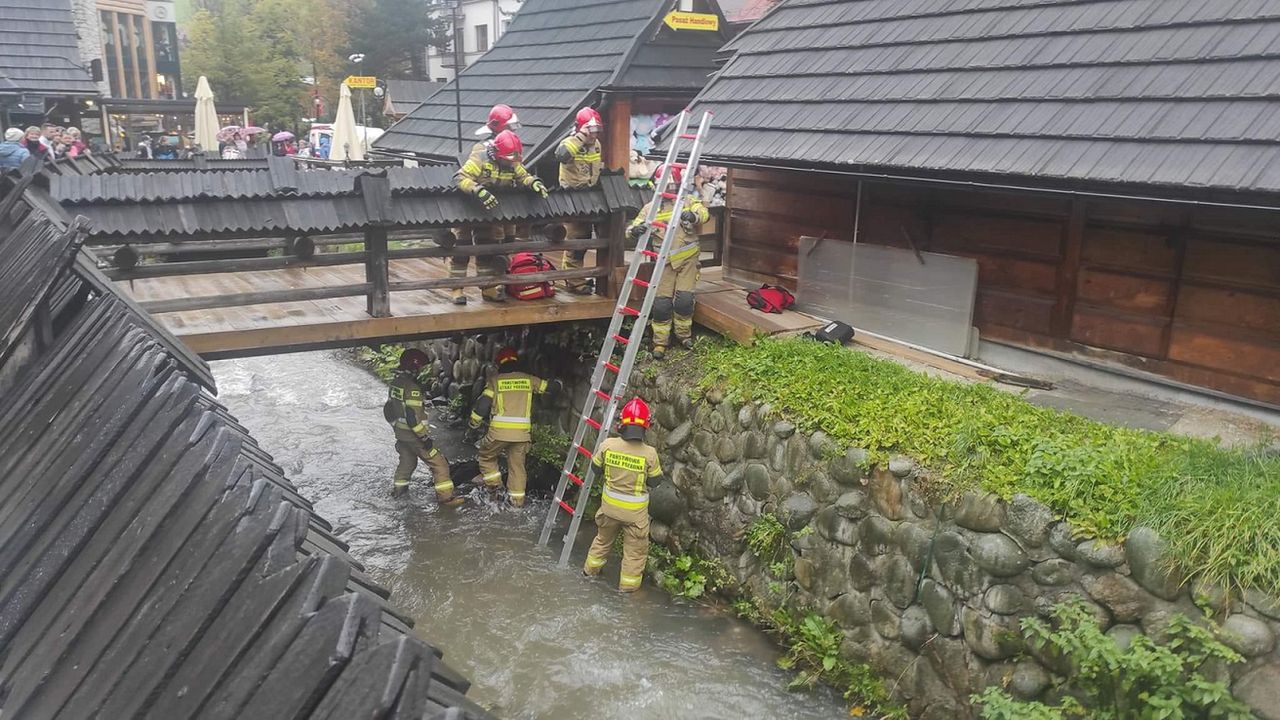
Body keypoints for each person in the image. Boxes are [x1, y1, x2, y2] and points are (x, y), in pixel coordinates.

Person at [452, 130, 549, 304]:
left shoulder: (511, 162)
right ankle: (457, 289)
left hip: (488, 214)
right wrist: (477, 190)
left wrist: (534, 182)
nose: (510, 163)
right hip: (468, 210)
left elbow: (523, 176)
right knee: (461, 251)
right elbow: (459, 178)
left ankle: (487, 288)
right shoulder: (480, 159)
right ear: (497, 154)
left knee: (485, 252)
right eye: (508, 159)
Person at [582, 398, 664, 592]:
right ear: (646, 426)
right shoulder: (649, 454)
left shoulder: (608, 445)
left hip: (609, 510)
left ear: (621, 424)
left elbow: (595, 469)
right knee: (634, 553)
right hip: (634, 515)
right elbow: (655, 482)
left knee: (602, 541)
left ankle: (588, 573)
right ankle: (627, 591)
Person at [628, 164, 710, 359]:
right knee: (662, 305)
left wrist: (694, 216)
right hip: (663, 263)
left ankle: (684, 336)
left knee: (684, 301)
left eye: (673, 186)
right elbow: (633, 226)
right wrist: (634, 231)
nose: (670, 190)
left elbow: (704, 214)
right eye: (666, 186)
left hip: (687, 261)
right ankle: (660, 343)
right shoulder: (650, 208)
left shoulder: (688, 201)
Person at [466, 347, 558, 507]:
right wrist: (560, 383)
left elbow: (482, 405)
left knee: (486, 456)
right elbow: (550, 388)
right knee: (517, 467)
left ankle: (495, 488)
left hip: (498, 433)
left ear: (498, 364)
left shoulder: (495, 381)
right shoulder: (528, 379)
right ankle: (517, 503)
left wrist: (473, 424)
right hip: (522, 435)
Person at [384, 349, 462, 504]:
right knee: (440, 465)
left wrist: (395, 428)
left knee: (407, 463)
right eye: (420, 368)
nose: (421, 371)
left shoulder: (395, 384)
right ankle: (446, 499)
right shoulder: (412, 389)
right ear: (414, 367)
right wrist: (424, 438)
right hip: (415, 437)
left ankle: (398, 493)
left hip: (401, 435)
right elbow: (412, 418)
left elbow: (388, 409)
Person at [555, 107, 604, 294]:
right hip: (572, 197)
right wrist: (581, 137)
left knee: (583, 241)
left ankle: (575, 277)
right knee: (576, 241)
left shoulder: (597, 144)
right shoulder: (570, 142)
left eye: (597, 130)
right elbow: (561, 156)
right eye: (591, 130)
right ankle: (574, 281)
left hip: (589, 197)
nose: (594, 134)